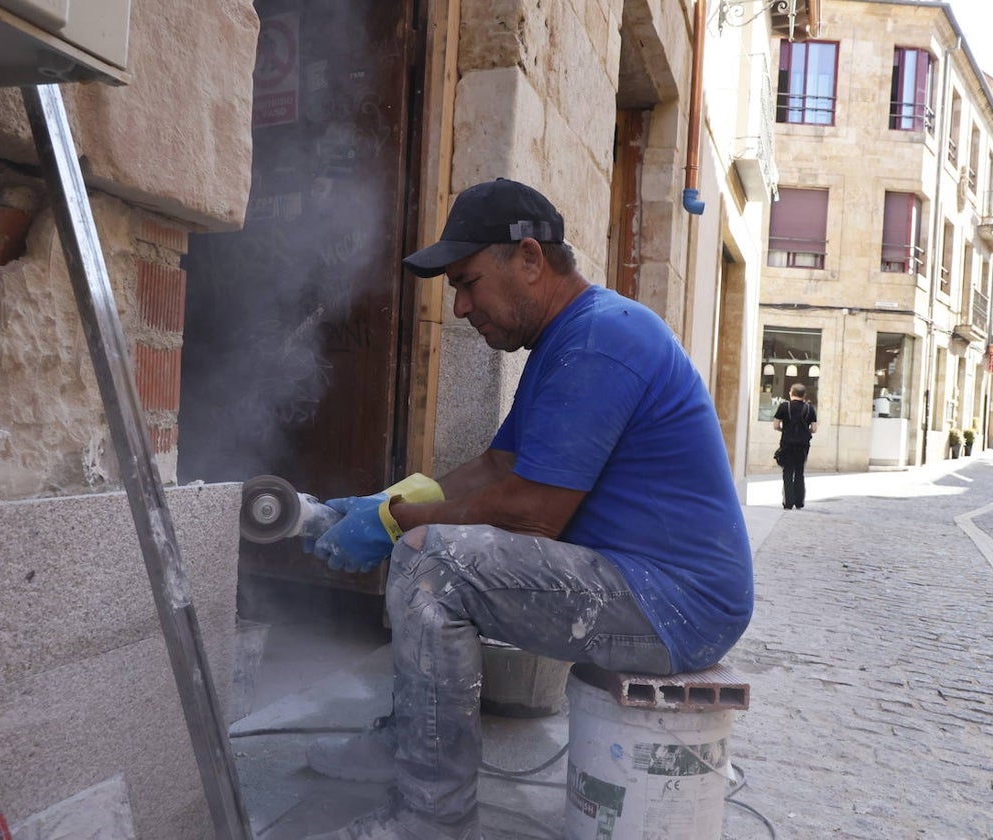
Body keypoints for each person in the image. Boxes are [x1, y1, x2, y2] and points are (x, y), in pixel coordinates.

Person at [300, 178, 754, 840]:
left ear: (531, 260)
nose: (458, 307)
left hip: (678, 606)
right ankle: (407, 743)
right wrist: (388, 501)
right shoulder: (569, 341)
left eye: (468, 281)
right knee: (426, 546)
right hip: (650, 586)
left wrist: (399, 524)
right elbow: (497, 467)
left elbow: (532, 514)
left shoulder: (600, 340)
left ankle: (432, 817)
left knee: (433, 566)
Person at [773, 382, 818, 510]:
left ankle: (788, 502)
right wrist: (804, 432)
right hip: (803, 445)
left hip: (787, 444)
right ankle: (799, 501)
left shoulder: (783, 407)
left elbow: (776, 425)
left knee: (787, 472)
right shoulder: (810, 408)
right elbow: (814, 429)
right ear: (804, 395)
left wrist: (785, 430)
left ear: (790, 393)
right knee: (799, 472)